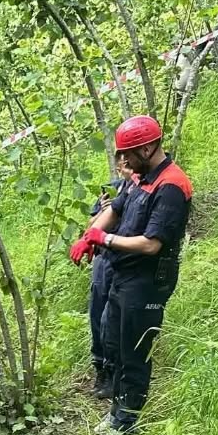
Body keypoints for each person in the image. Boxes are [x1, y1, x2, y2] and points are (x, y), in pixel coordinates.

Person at [71, 115, 192, 435]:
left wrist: (105, 240)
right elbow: (116, 209)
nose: (123, 161)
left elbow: (151, 244)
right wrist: (91, 234)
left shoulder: (171, 186)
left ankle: (126, 424)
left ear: (148, 148)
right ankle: (116, 413)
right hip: (123, 275)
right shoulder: (140, 178)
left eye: (128, 154)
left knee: (134, 352)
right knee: (113, 343)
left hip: (147, 281)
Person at [72, 163, 134, 401]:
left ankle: (116, 369)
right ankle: (101, 369)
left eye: (129, 162)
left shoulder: (144, 189)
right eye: (122, 162)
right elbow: (90, 226)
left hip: (128, 256)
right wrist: (104, 211)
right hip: (104, 257)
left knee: (116, 316)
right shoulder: (111, 190)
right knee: (98, 313)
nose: (126, 167)